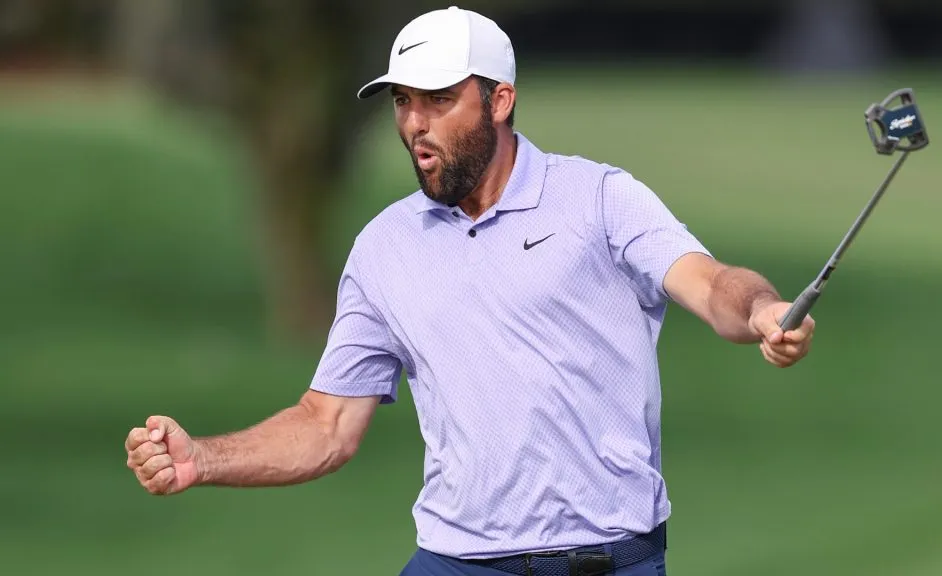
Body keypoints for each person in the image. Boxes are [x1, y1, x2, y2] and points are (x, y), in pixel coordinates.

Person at [124, 6, 815, 576]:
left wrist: (762, 310)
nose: (415, 125)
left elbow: (710, 284)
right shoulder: (384, 249)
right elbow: (326, 426)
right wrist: (203, 458)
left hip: (605, 562)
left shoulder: (599, 199)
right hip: (455, 561)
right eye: (403, 102)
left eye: (438, 100)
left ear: (499, 100)